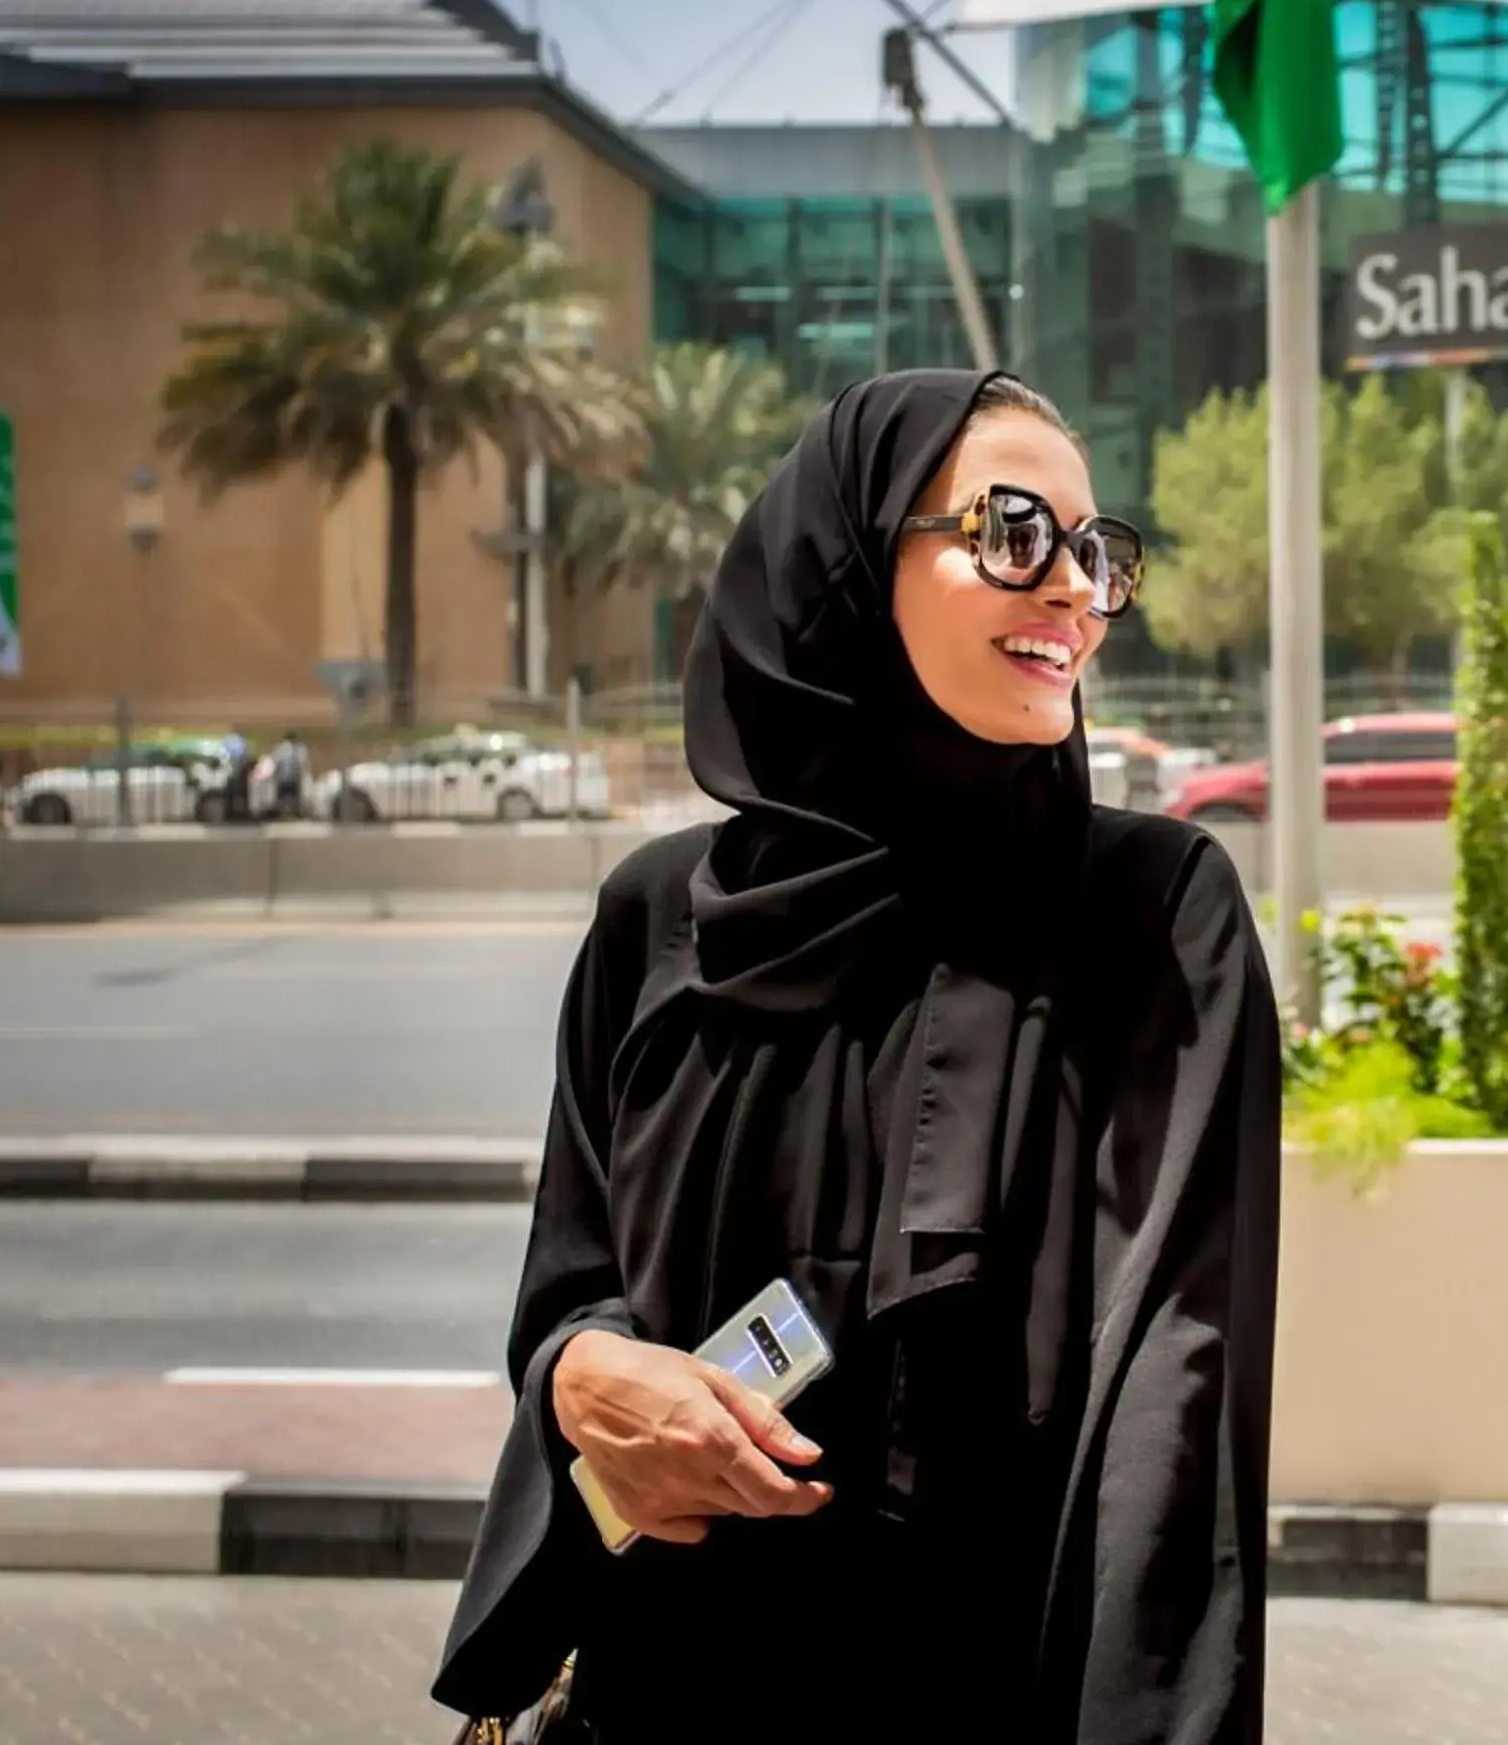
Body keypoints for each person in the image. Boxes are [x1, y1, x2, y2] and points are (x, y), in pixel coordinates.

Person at [435, 370, 1284, 1740]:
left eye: (1096, 552)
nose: (1073, 590)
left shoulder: (1148, 916)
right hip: (663, 1696)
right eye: (1014, 533)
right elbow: (570, 1294)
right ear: (841, 560)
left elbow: (1169, 1413)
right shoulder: (661, 922)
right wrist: (578, 1380)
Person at [268, 732, 307, 821]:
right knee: (294, 796)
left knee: (282, 796)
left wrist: (274, 775)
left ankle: (283, 815)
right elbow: (302, 763)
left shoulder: (280, 748)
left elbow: (275, 762)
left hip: (282, 777)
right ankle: (293, 814)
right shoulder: (299, 748)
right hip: (295, 777)